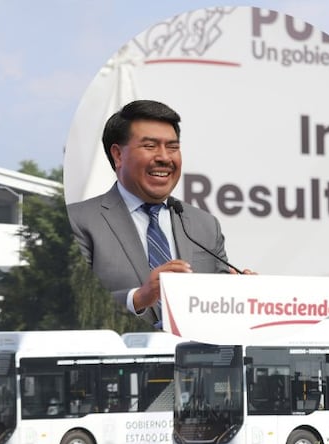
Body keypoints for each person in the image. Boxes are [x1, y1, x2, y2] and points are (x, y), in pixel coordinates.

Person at [68, 99, 251, 325]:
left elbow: (221, 306)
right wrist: (140, 297)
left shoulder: (204, 225)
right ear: (118, 155)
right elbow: (69, 303)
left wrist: (244, 295)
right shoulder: (79, 222)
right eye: (150, 146)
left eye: (173, 147)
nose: (165, 158)